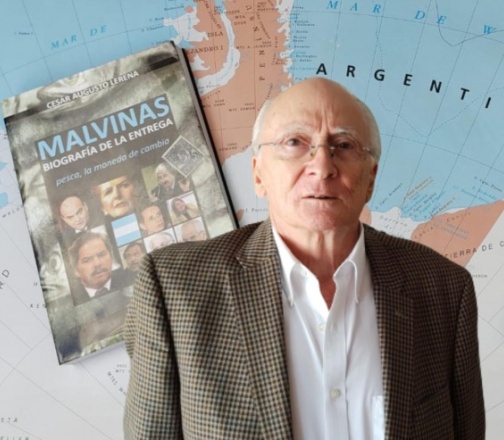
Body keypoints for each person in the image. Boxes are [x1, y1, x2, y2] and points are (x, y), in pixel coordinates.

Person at [124, 77, 484, 439]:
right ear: (258, 174)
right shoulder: (173, 289)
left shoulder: (443, 289)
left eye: (343, 145)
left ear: (371, 178)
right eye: (294, 143)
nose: (322, 166)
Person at [67, 232, 133, 306]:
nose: (97, 263)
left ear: (111, 257)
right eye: (87, 260)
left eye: (102, 255)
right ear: (76, 270)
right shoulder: (71, 301)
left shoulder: (129, 281)